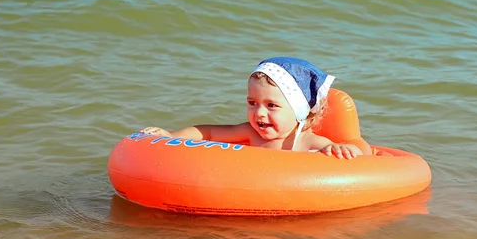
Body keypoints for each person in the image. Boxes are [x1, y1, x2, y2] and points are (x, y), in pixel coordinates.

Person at [140, 56, 362, 160]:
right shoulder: (250, 132)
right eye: (252, 103)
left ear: (300, 111)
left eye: (272, 105)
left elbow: (344, 156)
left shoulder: (309, 142)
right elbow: (206, 132)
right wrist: (170, 136)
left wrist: (336, 149)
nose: (260, 113)